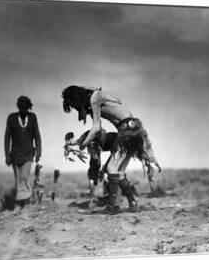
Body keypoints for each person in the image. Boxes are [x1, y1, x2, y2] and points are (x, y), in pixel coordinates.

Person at [62, 85, 160, 214]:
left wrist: (82, 145)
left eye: (74, 105)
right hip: (133, 128)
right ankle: (132, 203)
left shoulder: (94, 98)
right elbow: (118, 102)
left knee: (111, 169)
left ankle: (112, 207)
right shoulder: (97, 97)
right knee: (118, 172)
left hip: (127, 130)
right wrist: (77, 142)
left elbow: (96, 128)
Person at [4, 95, 42, 206]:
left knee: (24, 177)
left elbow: (37, 136)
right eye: (22, 108)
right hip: (15, 155)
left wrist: (39, 152)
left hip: (28, 154)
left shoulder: (33, 117)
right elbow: (7, 138)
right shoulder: (11, 118)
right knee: (17, 180)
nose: (24, 110)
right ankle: (19, 204)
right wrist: (7, 155)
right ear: (18, 107)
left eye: (26, 108)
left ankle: (26, 204)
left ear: (29, 108)